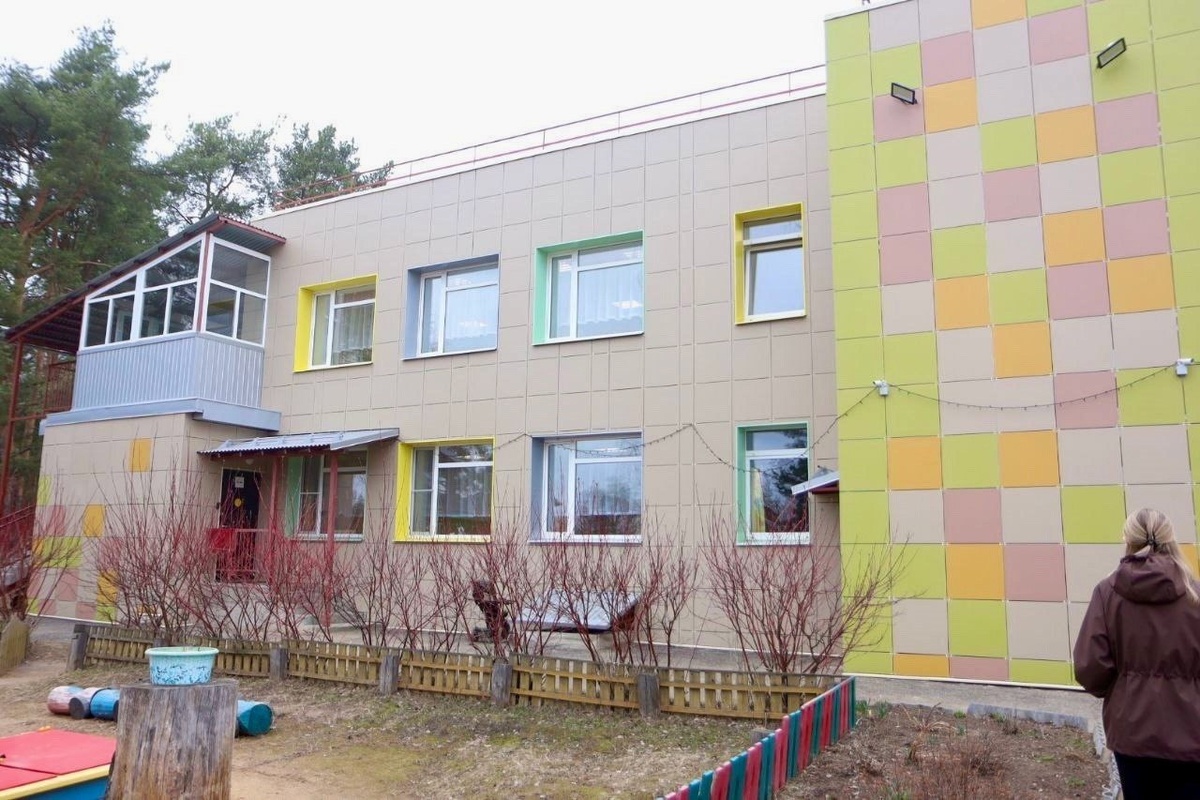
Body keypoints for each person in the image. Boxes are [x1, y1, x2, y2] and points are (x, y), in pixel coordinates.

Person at [1074, 508, 1200, 799]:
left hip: (1132, 732)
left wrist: (1123, 689)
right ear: (1171, 539)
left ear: (1127, 540)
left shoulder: (1107, 592)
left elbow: (1089, 667)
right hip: (1192, 732)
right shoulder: (1195, 594)